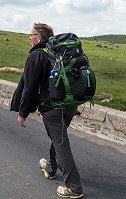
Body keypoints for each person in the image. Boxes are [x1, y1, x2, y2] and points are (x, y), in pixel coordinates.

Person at [10, 23, 83, 198]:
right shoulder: (58, 52)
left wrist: (22, 113)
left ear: (40, 37)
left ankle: (74, 187)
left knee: (60, 142)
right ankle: (51, 168)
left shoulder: (36, 56)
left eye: (31, 34)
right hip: (70, 104)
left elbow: (29, 88)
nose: (29, 38)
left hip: (52, 107)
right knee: (58, 138)